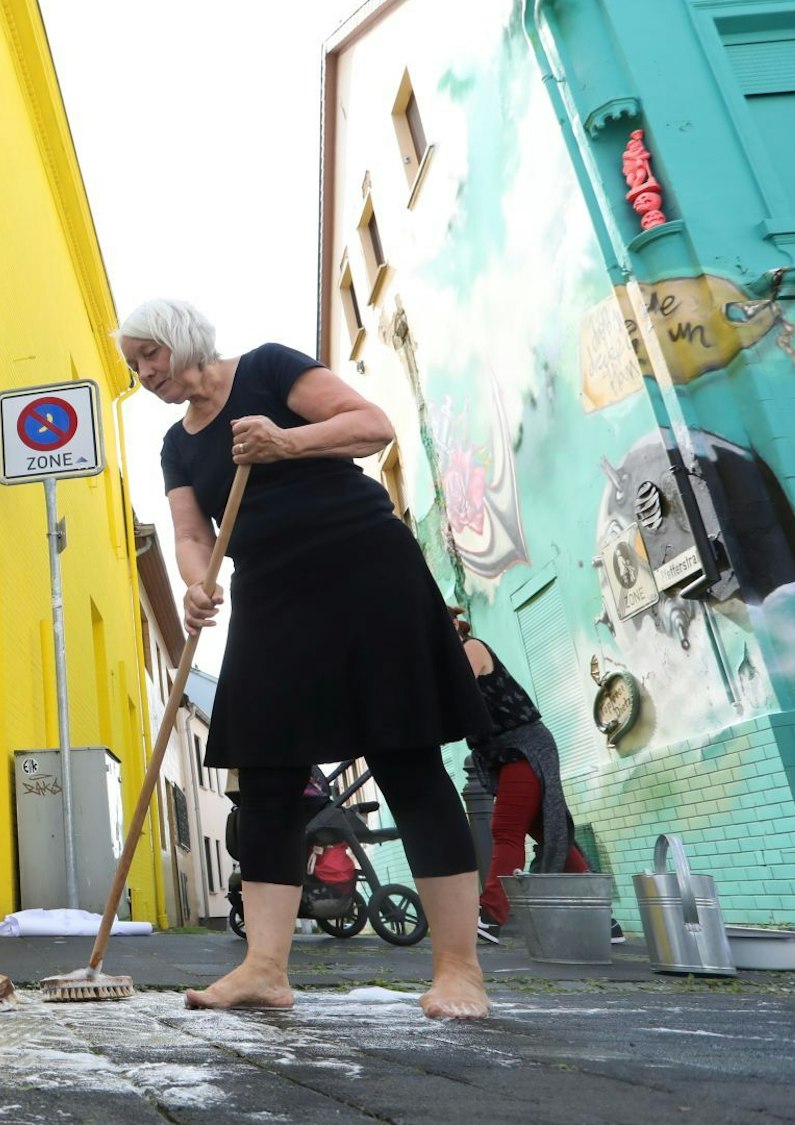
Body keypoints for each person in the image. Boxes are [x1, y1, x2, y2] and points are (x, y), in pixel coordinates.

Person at [120, 297, 494, 1019]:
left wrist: (284, 443)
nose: (143, 374)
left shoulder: (268, 369)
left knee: (406, 756)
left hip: (362, 567)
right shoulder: (176, 443)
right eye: (134, 365)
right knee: (264, 777)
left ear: (180, 339)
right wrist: (198, 585)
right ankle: (263, 968)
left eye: (149, 356)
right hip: (271, 595)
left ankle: (459, 971)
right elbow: (191, 533)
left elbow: (372, 426)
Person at [452, 609, 621, 945]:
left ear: (454, 626)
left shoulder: (469, 648)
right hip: (508, 753)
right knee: (551, 833)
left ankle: (490, 916)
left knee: (506, 829)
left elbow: (458, 695)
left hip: (524, 748)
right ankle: (606, 921)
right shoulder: (449, 659)